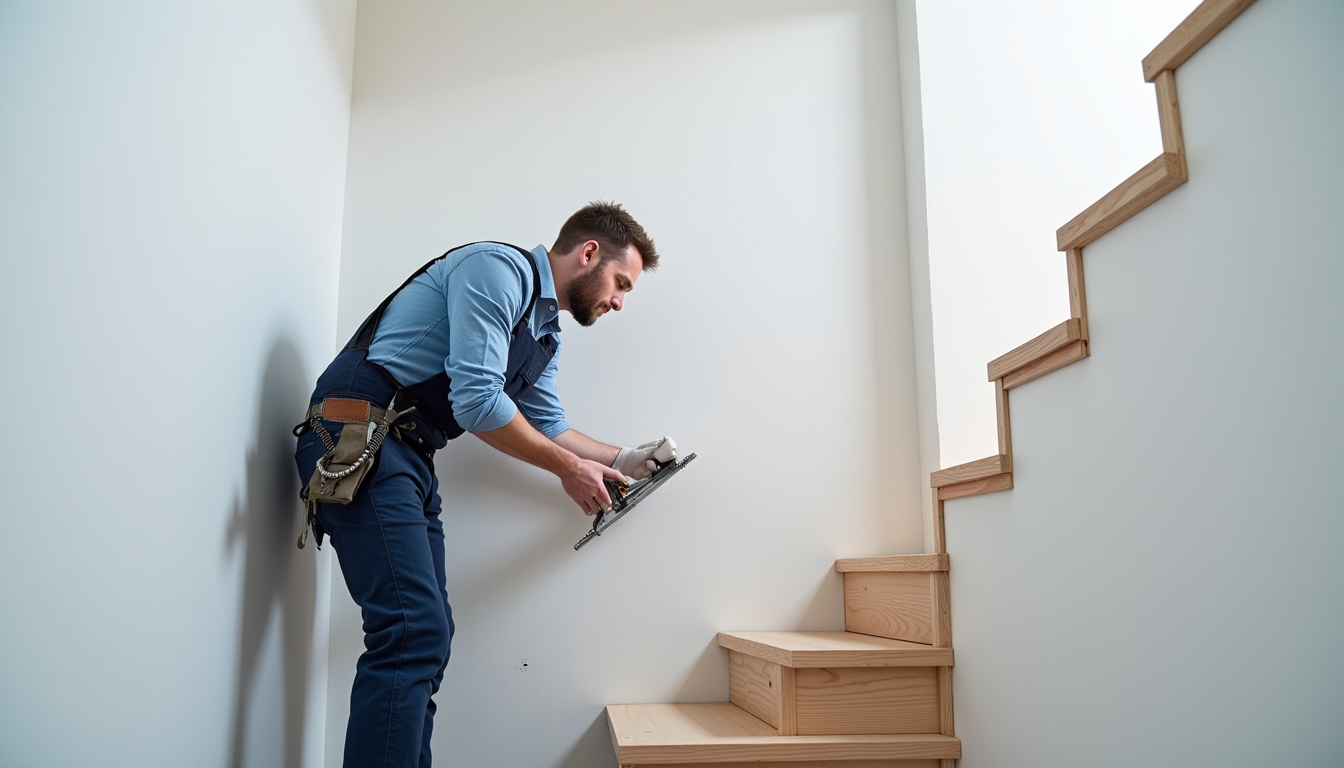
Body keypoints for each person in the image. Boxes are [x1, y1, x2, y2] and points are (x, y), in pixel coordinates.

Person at [292, 201, 674, 768]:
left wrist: (626, 459)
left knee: (429, 635)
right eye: (621, 283)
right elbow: (477, 402)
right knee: (410, 630)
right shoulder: (497, 270)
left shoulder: (545, 334)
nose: (619, 301)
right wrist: (567, 470)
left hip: (406, 453)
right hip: (356, 435)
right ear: (589, 253)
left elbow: (550, 427)